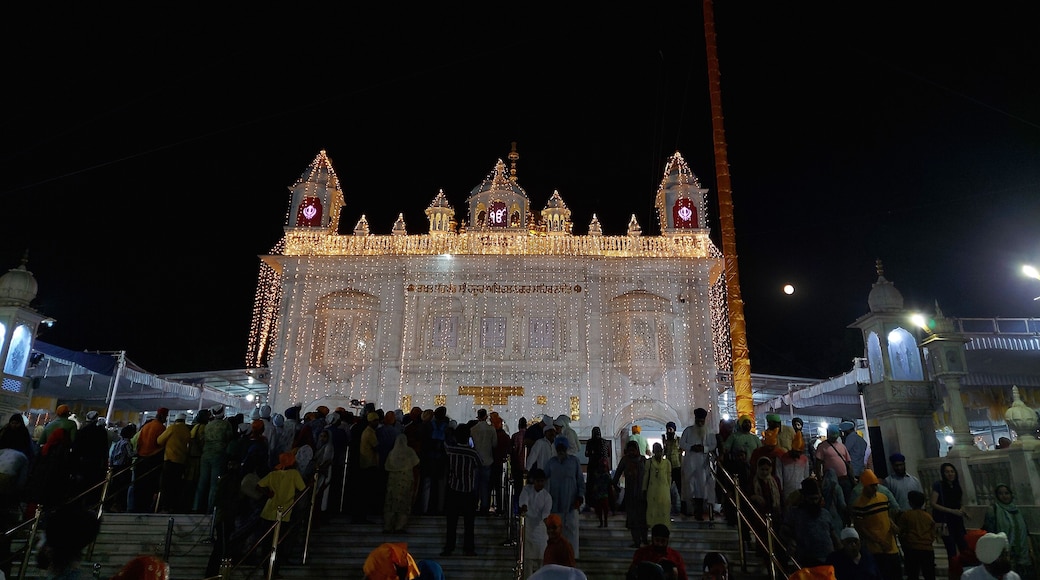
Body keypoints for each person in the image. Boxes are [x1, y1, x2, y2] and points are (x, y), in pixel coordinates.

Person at [849, 469, 901, 580]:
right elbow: (861, 527)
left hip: (890, 545)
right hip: (875, 549)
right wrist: (878, 541)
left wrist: (893, 525)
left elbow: (886, 516)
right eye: (871, 486)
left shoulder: (883, 498)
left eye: (875, 485)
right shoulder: (859, 504)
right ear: (865, 486)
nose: (874, 488)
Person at [440, 423, 480, 557]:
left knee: (452, 522)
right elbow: (480, 464)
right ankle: (469, 548)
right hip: (468, 490)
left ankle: (449, 547)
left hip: (453, 489)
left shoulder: (451, 450)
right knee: (469, 522)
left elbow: (445, 444)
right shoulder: (472, 453)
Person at [782, 478, 840, 568]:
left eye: (816, 499)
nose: (814, 502)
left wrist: (841, 551)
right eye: (811, 499)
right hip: (806, 560)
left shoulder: (825, 513)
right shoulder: (795, 513)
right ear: (804, 498)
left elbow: (833, 535)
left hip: (828, 559)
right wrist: (790, 541)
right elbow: (784, 531)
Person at [983, 483, 1035, 580]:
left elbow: (1025, 531)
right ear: (997, 496)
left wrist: (1030, 550)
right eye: (1000, 493)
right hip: (1004, 553)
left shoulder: (1017, 510)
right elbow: (990, 533)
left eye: (1007, 493)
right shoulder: (993, 510)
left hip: (1022, 553)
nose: (1004, 496)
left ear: (1011, 495)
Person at [545, 436, 585, 558]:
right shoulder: (551, 463)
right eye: (559, 447)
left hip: (571, 505)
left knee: (572, 534)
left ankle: (572, 559)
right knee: (556, 535)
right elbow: (543, 479)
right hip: (555, 506)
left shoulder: (574, 462)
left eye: (563, 447)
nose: (561, 449)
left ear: (566, 448)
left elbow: (580, 481)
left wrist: (580, 496)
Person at [678, 408, 716, 521]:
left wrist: (704, 448)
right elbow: (682, 443)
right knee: (689, 486)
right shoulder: (688, 431)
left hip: (703, 465)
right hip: (690, 463)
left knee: (702, 488)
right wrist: (691, 447)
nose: (700, 423)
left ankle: (700, 512)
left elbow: (713, 445)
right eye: (698, 421)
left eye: (702, 421)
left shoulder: (709, 431)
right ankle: (690, 511)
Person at [195, 404, 232, 514]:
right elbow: (229, 438)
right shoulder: (226, 425)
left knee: (202, 482)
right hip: (218, 455)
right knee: (214, 484)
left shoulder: (208, 425)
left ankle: (196, 507)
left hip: (205, 455)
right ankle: (211, 509)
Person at [614, 439, 649, 548]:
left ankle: (645, 539)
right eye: (630, 451)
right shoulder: (625, 460)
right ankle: (637, 541)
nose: (632, 453)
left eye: (633, 450)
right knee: (633, 519)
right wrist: (615, 486)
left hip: (643, 495)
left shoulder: (643, 460)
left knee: (643, 519)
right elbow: (617, 474)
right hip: (630, 495)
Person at [519, 467, 553, 578]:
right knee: (528, 561)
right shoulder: (527, 490)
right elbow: (523, 501)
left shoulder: (547, 497)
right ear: (534, 481)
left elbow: (545, 514)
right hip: (528, 529)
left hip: (541, 531)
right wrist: (524, 507)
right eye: (538, 481)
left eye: (542, 481)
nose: (540, 484)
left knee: (541, 562)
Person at [133, 407, 169, 513]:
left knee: (139, 485)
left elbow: (139, 442)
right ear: (162, 416)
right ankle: (145, 508)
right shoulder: (161, 428)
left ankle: (136, 507)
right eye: (165, 417)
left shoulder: (146, 426)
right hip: (152, 461)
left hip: (141, 459)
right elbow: (160, 443)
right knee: (148, 487)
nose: (166, 419)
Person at [931, 461, 969, 561]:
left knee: (963, 546)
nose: (950, 474)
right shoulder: (939, 485)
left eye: (952, 471)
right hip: (946, 521)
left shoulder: (956, 485)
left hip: (957, 520)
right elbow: (933, 503)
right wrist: (952, 511)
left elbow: (960, 501)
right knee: (951, 549)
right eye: (947, 472)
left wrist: (962, 510)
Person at [383, 433, 420, 534]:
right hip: (405, 481)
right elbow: (416, 462)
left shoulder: (392, 453)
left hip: (393, 482)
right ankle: (400, 526)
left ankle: (388, 526)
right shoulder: (409, 452)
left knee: (391, 503)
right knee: (403, 503)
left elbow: (387, 465)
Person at [898, 490, 937, 580]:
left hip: (912, 548)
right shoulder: (928, 516)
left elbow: (901, 531)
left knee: (912, 574)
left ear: (910, 503)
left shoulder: (906, 515)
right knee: (929, 575)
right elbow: (933, 532)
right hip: (927, 548)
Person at [815, 424, 855, 506]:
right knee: (834, 504)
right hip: (831, 481)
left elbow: (848, 463)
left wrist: (852, 478)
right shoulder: (822, 446)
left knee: (847, 502)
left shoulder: (842, 446)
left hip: (844, 479)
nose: (834, 437)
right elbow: (818, 464)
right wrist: (820, 480)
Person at [469, 408, 495, 515]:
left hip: (475, 460)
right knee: (485, 485)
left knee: (475, 485)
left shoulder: (473, 429)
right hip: (487, 460)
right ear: (486, 416)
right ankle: (484, 507)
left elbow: (471, 445)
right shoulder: (491, 429)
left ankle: (473, 506)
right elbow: (494, 444)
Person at [644, 442, 672, 532]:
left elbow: (669, 477)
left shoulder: (667, 463)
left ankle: (664, 529)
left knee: (664, 509)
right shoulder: (649, 462)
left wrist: (668, 488)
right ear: (653, 451)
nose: (658, 452)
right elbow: (646, 476)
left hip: (664, 490)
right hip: (652, 490)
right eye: (656, 450)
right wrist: (644, 489)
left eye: (660, 450)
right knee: (653, 509)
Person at [584, 426, 610, 513]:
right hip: (602, 468)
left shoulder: (590, 442)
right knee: (603, 487)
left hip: (592, 466)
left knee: (592, 486)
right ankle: (604, 506)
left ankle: (592, 505)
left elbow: (586, 454)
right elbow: (607, 454)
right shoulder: (604, 442)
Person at [662, 421, 682, 514]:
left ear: (674, 430)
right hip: (668, 467)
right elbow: (664, 453)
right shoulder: (665, 441)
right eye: (667, 429)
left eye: (670, 429)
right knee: (667, 488)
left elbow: (681, 452)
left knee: (680, 488)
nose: (668, 431)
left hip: (677, 466)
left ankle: (682, 508)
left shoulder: (678, 440)